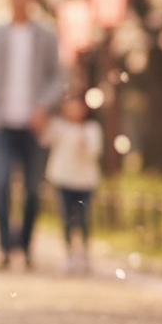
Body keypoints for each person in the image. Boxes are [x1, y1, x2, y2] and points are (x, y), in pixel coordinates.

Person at [0, 0, 64, 270]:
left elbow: (58, 78)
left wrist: (43, 107)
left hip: (34, 126)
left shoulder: (47, 35)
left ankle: (24, 248)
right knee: (0, 184)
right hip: (1, 123)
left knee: (33, 189)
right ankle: (2, 248)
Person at [41, 94, 103, 272]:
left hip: (86, 181)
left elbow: (94, 153)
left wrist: (84, 142)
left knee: (84, 218)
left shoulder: (92, 129)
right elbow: (44, 139)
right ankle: (69, 254)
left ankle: (84, 253)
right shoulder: (59, 126)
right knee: (67, 218)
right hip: (62, 179)